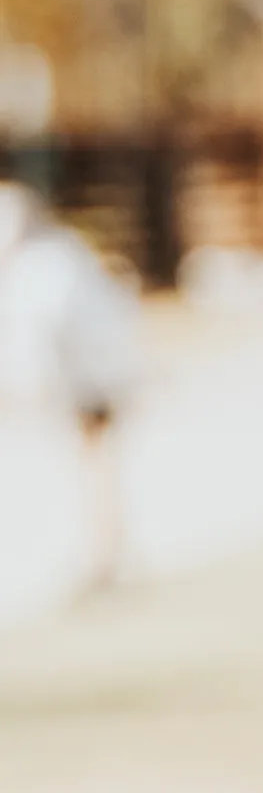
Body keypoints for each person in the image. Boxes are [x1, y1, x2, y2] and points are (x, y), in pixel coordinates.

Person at [0, 186, 142, 599]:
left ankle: (101, 554)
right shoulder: (59, 252)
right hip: (94, 372)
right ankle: (104, 551)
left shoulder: (41, 264)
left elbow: (37, 334)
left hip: (90, 377)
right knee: (94, 463)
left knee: (92, 463)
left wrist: (26, 391)